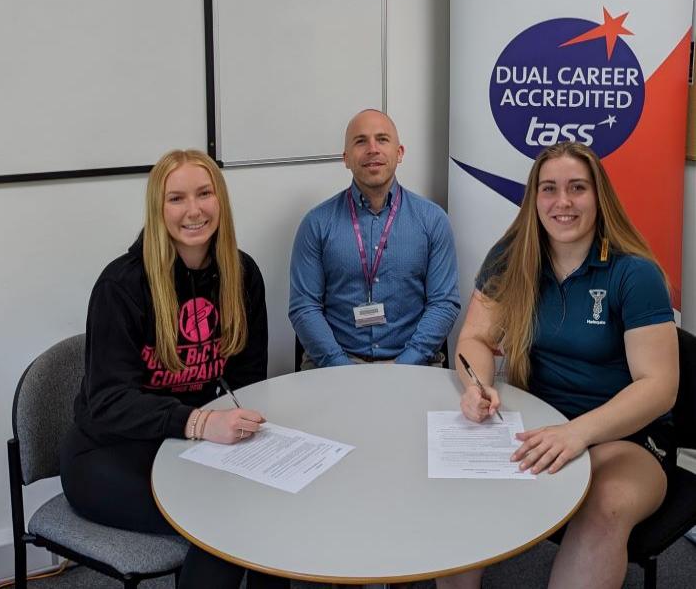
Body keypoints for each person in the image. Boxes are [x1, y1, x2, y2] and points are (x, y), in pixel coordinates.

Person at [439, 142, 678, 589]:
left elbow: (659, 386)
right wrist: (477, 386)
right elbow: (475, 339)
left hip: (625, 439)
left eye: (577, 188)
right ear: (534, 199)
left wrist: (577, 433)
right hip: (539, 426)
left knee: (601, 507)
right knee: (460, 487)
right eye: (549, 189)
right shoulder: (511, 257)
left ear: (598, 197)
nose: (562, 202)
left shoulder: (634, 273)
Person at [60, 149, 288, 589]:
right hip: (110, 452)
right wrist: (199, 422)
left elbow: (246, 380)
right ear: (157, 209)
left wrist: (239, 431)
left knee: (268, 510)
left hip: (192, 447)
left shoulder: (242, 274)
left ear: (220, 200)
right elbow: (109, 402)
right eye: (176, 198)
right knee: (219, 528)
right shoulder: (120, 286)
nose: (194, 210)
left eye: (204, 194)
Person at [289, 109, 460, 368]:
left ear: (399, 152)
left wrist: (405, 365)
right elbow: (304, 307)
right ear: (346, 158)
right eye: (360, 141)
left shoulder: (433, 221)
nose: (372, 149)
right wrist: (341, 368)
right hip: (337, 365)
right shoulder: (316, 224)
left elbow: (443, 303)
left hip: (413, 364)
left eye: (382, 139)